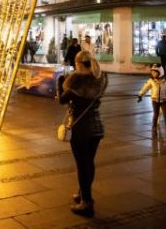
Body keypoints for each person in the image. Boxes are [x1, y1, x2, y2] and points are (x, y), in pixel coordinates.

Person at [56, 51, 107, 217]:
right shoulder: (99, 78)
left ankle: (86, 202)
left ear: (78, 64)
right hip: (96, 127)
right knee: (89, 163)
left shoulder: (75, 82)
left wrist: (60, 82)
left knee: (82, 166)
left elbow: (62, 100)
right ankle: (82, 193)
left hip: (80, 129)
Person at [137, 64, 166, 139]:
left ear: (160, 72)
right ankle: (154, 129)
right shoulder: (151, 81)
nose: (153, 73)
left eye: (155, 72)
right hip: (155, 100)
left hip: (164, 101)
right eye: (152, 72)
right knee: (156, 115)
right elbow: (145, 88)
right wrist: (140, 95)